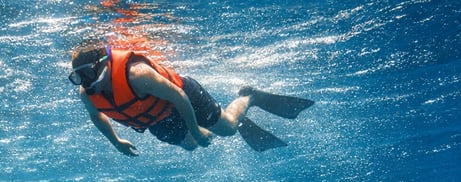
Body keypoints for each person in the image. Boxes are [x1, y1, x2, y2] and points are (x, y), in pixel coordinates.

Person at [69, 43, 314, 154]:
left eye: (88, 73)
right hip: (158, 116)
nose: (87, 81)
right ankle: (214, 125)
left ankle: (249, 96)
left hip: (183, 95)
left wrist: (195, 128)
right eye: (79, 77)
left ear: (104, 64)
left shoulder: (137, 75)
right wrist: (115, 141)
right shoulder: (87, 93)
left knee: (227, 129)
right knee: (191, 146)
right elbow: (96, 116)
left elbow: (179, 95)